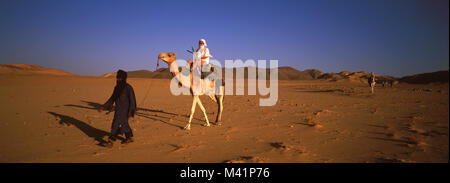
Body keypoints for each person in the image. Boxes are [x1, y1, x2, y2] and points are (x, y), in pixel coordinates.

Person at [98, 69, 137, 147]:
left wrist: (131, 111)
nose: (118, 79)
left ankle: (110, 142)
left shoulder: (128, 88)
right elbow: (112, 98)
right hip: (118, 109)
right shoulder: (117, 88)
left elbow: (133, 100)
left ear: (123, 78)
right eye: (117, 78)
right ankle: (129, 138)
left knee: (116, 124)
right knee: (124, 124)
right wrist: (104, 106)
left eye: (120, 78)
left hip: (125, 110)